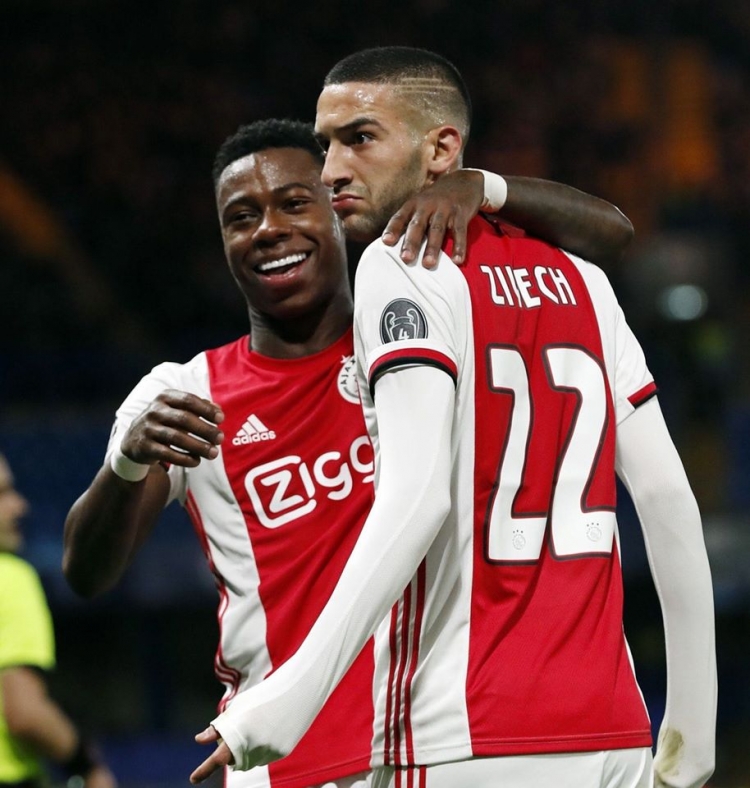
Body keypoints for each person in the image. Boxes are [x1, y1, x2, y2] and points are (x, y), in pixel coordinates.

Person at [191, 48, 717, 788]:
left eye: (359, 138)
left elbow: (417, 500)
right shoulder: (585, 280)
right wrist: (694, 729)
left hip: (463, 732)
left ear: (441, 150)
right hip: (611, 732)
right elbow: (668, 501)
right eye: (325, 143)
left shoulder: (402, 265)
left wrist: (283, 702)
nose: (332, 169)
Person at [63, 117, 634, 788]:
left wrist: (483, 187)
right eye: (241, 217)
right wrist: (126, 464)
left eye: (293, 203)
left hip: (438, 749)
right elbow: (86, 573)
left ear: (339, 212)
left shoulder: (422, 349)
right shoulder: (186, 394)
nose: (268, 229)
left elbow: (610, 235)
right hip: (282, 759)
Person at [0, 453, 117, 788]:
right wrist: (87, 766)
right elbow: (25, 714)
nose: (19, 506)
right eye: (2, 494)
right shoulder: (10, 579)